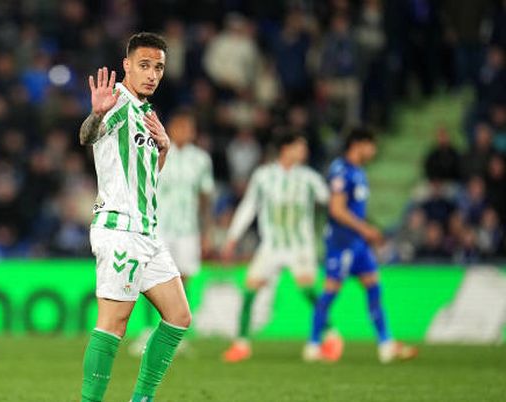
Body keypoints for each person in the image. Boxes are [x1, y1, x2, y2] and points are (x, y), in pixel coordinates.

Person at [78, 32, 190, 402]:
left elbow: (147, 179)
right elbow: (88, 136)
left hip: (147, 232)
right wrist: (97, 113)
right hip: (119, 229)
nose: (152, 74)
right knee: (114, 322)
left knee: (178, 316)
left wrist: (165, 149)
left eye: (158, 67)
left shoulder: (147, 113)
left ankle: (142, 399)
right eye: (144, 65)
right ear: (126, 65)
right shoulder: (118, 104)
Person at [304, 128, 417, 363]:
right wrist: (366, 229)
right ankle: (313, 345)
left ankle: (386, 344)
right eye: (371, 145)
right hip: (341, 242)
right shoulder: (341, 170)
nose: (373, 151)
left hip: (357, 245)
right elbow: (336, 209)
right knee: (329, 293)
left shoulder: (358, 172)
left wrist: (365, 231)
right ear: (358, 144)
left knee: (374, 287)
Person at [220, 133, 335, 363]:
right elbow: (249, 206)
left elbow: (331, 202)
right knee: (250, 290)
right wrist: (233, 236)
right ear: (285, 148)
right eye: (299, 147)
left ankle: (331, 334)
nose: (304, 152)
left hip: (300, 246)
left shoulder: (309, 178)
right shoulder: (263, 176)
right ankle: (241, 344)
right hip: (271, 246)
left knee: (308, 292)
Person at [130, 107, 214, 356]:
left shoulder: (201, 159)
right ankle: (147, 331)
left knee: (183, 279)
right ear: (171, 128)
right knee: (150, 277)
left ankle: (174, 332)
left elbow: (205, 197)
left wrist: (206, 231)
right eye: (181, 127)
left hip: (188, 229)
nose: (186, 132)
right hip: (159, 226)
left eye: (190, 129)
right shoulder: (154, 150)